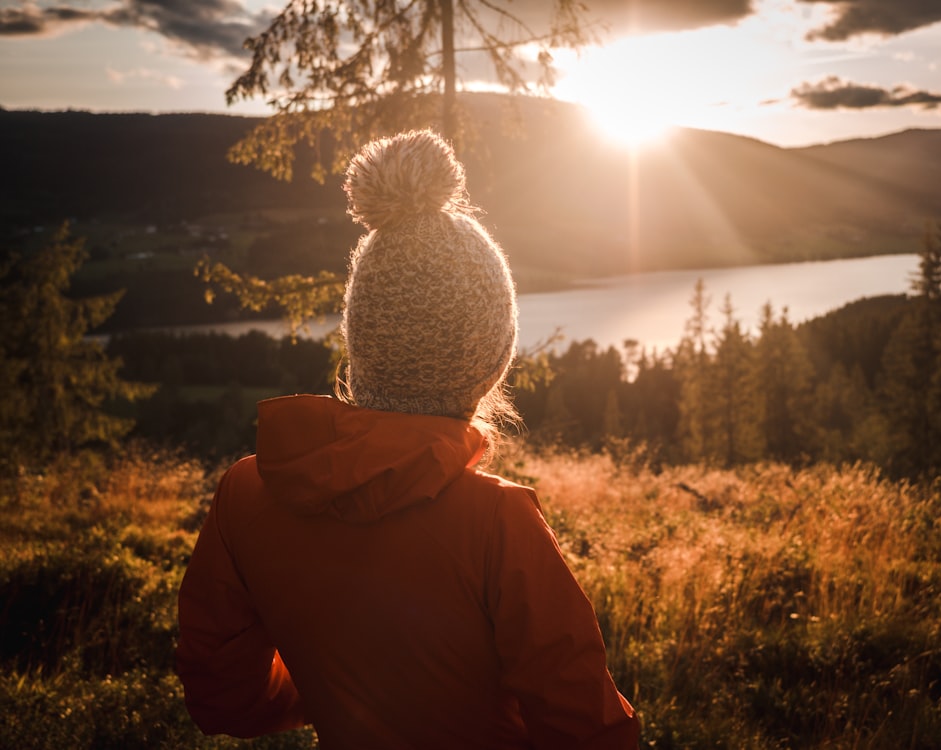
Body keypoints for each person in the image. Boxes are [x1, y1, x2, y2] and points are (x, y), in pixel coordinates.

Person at [175, 129, 640, 749]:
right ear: (491, 358)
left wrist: (340, 688)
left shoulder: (247, 493)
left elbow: (223, 696)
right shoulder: (498, 523)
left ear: (362, 338)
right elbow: (591, 735)